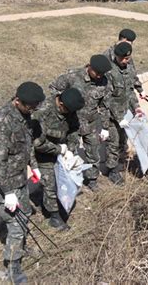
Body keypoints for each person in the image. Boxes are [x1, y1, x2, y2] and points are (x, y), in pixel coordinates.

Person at [0, 81, 45, 284]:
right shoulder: (0, 122)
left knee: (25, 215)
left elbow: (27, 145)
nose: (33, 110)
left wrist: (34, 166)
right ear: (18, 101)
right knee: (16, 226)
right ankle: (13, 268)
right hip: (6, 185)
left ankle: (19, 247)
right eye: (30, 107)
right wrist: (8, 192)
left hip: (20, 179)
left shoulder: (24, 114)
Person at [50, 55, 112, 191]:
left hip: (90, 123)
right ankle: (66, 182)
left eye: (102, 74)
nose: (99, 76)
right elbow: (53, 90)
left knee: (94, 153)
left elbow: (104, 106)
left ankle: (92, 180)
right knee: (68, 154)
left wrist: (105, 127)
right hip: (71, 125)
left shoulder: (104, 81)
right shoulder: (72, 76)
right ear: (89, 67)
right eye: (97, 73)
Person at [31, 88, 85, 230]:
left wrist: (70, 150)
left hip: (62, 152)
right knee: (50, 185)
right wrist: (59, 149)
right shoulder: (42, 112)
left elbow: (74, 129)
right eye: (67, 110)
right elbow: (37, 142)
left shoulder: (70, 109)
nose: (70, 113)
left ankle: (59, 204)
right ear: (60, 103)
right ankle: (54, 217)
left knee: (64, 180)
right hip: (43, 154)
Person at [104, 41, 144, 185]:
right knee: (113, 143)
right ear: (116, 56)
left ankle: (120, 164)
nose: (126, 61)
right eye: (123, 59)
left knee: (123, 141)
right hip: (112, 116)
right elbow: (107, 99)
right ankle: (112, 170)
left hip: (126, 113)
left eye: (128, 58)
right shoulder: (109, 73)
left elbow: (130, 92)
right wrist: (119, 118)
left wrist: (136, 107)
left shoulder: (129, 70)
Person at [103, 28, 148, 99]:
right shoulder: (107, 55)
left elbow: (132, 73)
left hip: (126, 96)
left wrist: (140, 90)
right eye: (130, 42)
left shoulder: (127, 53)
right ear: (123, 39)